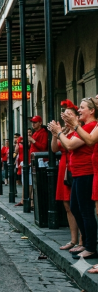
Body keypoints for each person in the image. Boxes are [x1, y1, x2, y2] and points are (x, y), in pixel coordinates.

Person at [49, 97, 98, 261]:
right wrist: (58, 133)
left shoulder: (91, 126)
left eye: (82, 108)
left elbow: (70, 146)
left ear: (91, 111)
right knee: (76, 208)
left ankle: (90, 246)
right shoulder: (84, 127)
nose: (79, 111)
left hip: (86, 172)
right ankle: (86, 242)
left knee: (85, 210)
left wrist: (58, 132)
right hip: (77, 173)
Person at [51, 100, 81, 252]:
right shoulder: (65, 131)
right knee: (67, 204)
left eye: (70, 114)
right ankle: (73, 239)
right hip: (64, 166)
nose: (66, 117)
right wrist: (55, 134)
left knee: (78, 205)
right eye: (65, 114)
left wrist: (60, 133)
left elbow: (70, 145)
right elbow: (55, 148)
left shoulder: (78, 130)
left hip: (73, 166)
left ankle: (82, 241)